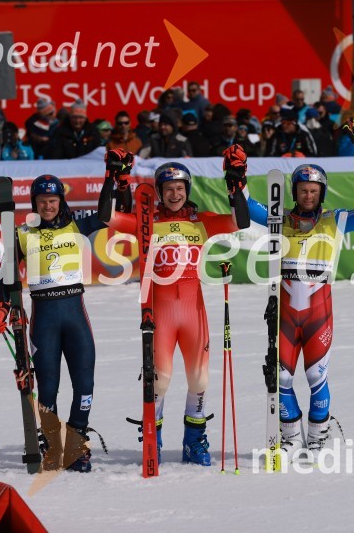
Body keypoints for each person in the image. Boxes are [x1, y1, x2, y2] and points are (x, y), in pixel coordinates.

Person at [98, 151, 250, 466]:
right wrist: (114, 179)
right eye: (168, 189)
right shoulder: (147, 220)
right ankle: (153, 437)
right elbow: (107, 216)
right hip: (162, 312)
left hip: (194, 311)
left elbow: (241, 220)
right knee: (161, 380)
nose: (175, 194)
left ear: (188, 189)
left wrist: (236, 182)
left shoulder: (202, 221)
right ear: (160, 192)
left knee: (200, 380)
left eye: (180, 188)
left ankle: (194, 443)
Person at [0, 158, 132, 472]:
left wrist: (114, 179)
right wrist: (2, 308)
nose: (48, 206)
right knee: (48, 387)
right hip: (44, 318)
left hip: (75, 313)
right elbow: (5, 277)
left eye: (53, 201)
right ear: (34, 204)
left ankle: (77, 444)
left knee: (85, 384)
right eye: (42, 201)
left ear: (60, 201)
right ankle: (52, 443)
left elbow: (109, 216)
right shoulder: (23, 232)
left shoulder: (75, 224)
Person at [241, 147, 354, 460]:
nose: (308, 196)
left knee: (316, 377)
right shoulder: (280, 219)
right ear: (294, 191)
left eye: (314, 191)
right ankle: (290, 438)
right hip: (286, 316)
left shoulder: (336, 220)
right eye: (303, 190)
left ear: (322, 193)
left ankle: (317, 441)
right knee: (281, 377)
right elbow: (247, 207)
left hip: (319, 313)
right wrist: (236, 179)